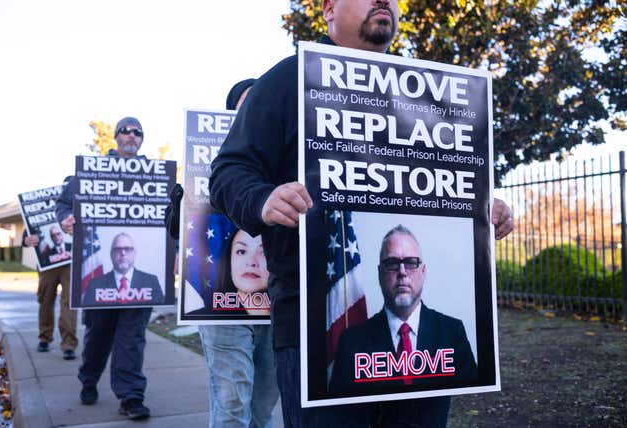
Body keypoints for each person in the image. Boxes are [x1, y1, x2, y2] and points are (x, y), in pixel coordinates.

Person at [209, 1, 514, 426]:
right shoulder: (288, 79)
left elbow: (437, 186)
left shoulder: (425, 93)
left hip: (423, 361)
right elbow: (227, 173)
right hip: (312, 329)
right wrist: (261, 198)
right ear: (329, 9)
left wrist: (480, 210)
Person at [165, 78, 280, 428]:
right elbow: (184, 231)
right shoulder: (204, 156)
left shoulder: (288, 151)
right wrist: (179, 208)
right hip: (222, 308)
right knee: (232, 399)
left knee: (263, 405)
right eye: (245, 103)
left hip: (278, 303)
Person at [55, 116, 154, 420]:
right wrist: (66, 219)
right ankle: (89, 379)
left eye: (137, 132)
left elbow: (170, 214)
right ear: (115, 137)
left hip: (140, 274)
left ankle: (131, 396)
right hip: (100, 275)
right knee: (98, 334)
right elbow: (63, 204)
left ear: (141, 139)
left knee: (132, 336)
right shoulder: (91, 172)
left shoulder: (154, 175)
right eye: (125, 130)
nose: (131, 135)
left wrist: (173, 250)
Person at [329, 225, 477, 395]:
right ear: (380, 273)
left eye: (410, 262)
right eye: (392, 263)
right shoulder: (351, 341)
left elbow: (471, 397)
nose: (402, 272)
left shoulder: (453, 332)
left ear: (423, 271)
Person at [21, 229, 77, 360]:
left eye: (58, 234)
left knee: (69, 302)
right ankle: (45, 338)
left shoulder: (71, 208)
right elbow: (28, 228)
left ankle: (69, 344)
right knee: (45, 300)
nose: (56, 237)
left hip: (70, 263)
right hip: (46, 263)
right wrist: (25, 240)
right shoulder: (46, 247)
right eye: (53, 235)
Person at [82, 233, 164, 306]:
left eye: (127, 249)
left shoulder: (151, 281)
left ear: (134, 253)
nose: (123, 253)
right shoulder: (95, 284)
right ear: (111, 254)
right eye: (118, 249)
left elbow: (158, 312)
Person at [215, 228, 271, 316]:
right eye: (241, 252)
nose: (251, 262)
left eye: (264, 253)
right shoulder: (205, 319)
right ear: (229, 262)